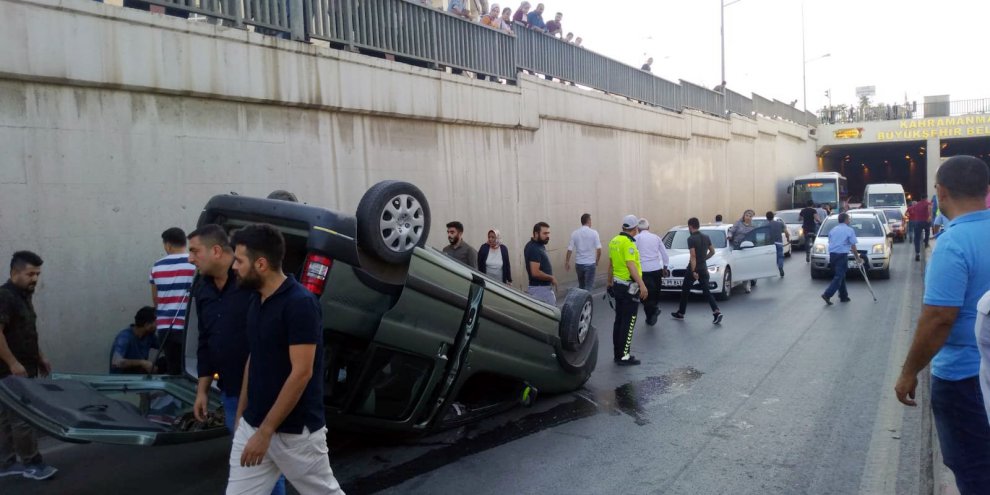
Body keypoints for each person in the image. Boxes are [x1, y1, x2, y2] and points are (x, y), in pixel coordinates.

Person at [895, 156, 990, 494]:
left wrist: (908, 373)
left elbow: (938, 319)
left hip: (965, 380)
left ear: (941, 192)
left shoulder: (952, 243)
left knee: (973, 468)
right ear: (987, 190)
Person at [226, 225, 344, 494]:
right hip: (253, 426)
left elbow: (302, 372)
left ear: (261, 263)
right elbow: (253, 358)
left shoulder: (300, 303)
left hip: (296, 434)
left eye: (239, 260)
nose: (234, 266)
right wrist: (243, 418)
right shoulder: (257, 300)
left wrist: (266, 431)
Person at [189, 225, 289, 495]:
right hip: (232, 392)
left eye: (195, 251)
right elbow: (205, 340)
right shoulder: (201, 287)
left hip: (265, 389)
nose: (190, 258)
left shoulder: (250, 282)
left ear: (217, 251)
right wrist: (202, 390)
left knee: (266, 461)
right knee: (249, 462)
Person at [0, 251, 57, 480]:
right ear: (15, 273)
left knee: (5, 419)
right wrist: (13, 362)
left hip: (21, 367)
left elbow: (25, 333)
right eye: (30, 273)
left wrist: (40, 356)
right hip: (11, 371)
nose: (35, 278)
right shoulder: (5, 296)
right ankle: (33, 464)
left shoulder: (23, 296)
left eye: (38, 274)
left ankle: (6, 464)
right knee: (23, 418)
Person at [150, 227, 196, 375]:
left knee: (173, 370)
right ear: (185, 243)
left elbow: (156, 300)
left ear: (168, 245)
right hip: (188, 327)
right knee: (191, 369)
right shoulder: (194, 264)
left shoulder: (157, 266)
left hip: (165, 327)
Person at [606, 216, 648, 365]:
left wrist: (609, 282)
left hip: (618, 285)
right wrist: (642, 285)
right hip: (630, 287)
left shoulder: (614, 241)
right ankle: (625, 356)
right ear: (635, 228)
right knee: (629, 322)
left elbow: (610, 265)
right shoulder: (628, 243)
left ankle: (618, 354)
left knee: (619, 320)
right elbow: (631, 265)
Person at [671, 218, 722, 324]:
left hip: (693, 269)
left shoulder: (691, 239)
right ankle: (716, 312)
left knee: (685, 291)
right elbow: (712, 251)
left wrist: (693, 271)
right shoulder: (706, 237)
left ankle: (681, 313)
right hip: (704, 268)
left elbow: (693, 256)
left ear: (690, 226)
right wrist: (704, 259)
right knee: (707, 291)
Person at [635, 218, 669, 326]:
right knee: (655, 294)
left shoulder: (635, 239)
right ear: (648, 228)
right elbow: (664, 254)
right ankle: (652, 313)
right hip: (656, 270)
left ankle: (652, 313)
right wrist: (665, 267)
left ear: (638, 229)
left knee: (644, 296)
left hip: (643, 271)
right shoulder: (656, 238)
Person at [821, 213, 861, 305]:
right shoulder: (849, 230)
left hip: (832, 255)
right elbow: (853, 246)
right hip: (842, 255)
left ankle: (843, 296)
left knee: (841, 275)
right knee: (839, 276)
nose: (849, 221)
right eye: (849, 219)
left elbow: (832, 242)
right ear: (846, 220)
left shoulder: (833, 230)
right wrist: (857, 258)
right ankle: (827, 294)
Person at [109, 306, 159, 374]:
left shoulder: (149, 336)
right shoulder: (124, 337)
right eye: (157, 322)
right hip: (122, 381)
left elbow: (165, 346)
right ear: (147, 325)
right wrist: (142, 363)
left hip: (139, 379)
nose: (159, 325)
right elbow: (116, 362)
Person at [565, 213, 602, 291]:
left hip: (579, 264)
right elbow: (599, 249)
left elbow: (569, 249)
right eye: (591, 220)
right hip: (590, 263)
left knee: (581, 286)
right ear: (588, 221)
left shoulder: (575, 233)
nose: (591, 222)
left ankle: (582, 301)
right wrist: (597, 260)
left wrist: (567, 261)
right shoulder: (594, 233)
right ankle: (587, 302)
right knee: (588, 287)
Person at [524, 222, 557, 305]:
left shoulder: (538, 245)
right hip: (540, 291)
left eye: (548, 233)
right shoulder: (534, 249)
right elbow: (535, 272)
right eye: (545, 233)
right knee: (552, 316)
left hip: (541, 289)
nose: (547, 236)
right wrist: (551, 278)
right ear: (536, 234)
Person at [728, 210, 757, 293]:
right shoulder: (738, 223)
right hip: (736, 247)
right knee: (735, 265)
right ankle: (733, 281)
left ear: (752, 218)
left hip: (746, 248)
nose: (748, 217)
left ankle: (747, 285)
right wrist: (729, 236)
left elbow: (754, 237)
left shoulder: (753, 227)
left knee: (746, 267)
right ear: (744, 216)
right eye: (747, 215)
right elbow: (731, 231)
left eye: (750, 216)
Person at [907, 195, 932, 261]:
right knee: (927, 231)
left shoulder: (917, 205)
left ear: (920, 198)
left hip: (918, 222)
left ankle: (917, 253)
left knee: (917, 238)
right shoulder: (928, 203)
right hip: (926, 221)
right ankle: (926, 243)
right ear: (926, 198)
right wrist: (929, 215)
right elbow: (929, 208)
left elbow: (910, 209)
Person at [766, 211, 791, 277]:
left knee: (770, 258)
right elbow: (786, 232)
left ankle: (769, 271)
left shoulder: (765, 225)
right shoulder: (780, 223)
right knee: (780, 256)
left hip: (770, 244)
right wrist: (788, 239)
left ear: (767, 218)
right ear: (773, 216)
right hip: (779, 243)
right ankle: (780, 267)